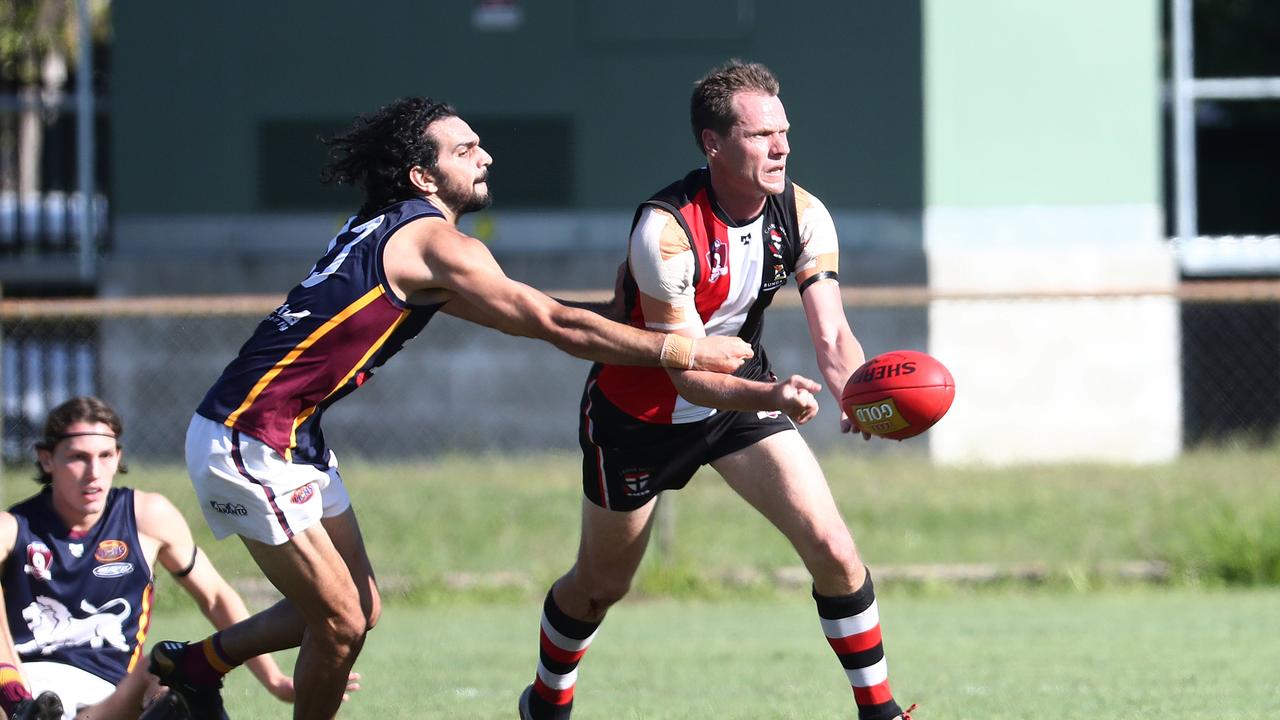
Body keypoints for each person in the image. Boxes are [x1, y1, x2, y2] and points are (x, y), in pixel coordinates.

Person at [148, 97, 754, 720]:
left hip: (289, 434)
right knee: (340, 625)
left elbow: (528, 316)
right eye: (464, 150)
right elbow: (551, 323)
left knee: (361, 605)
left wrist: (610, 316)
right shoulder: (435, 242)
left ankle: (193, 669)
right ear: (422, 176)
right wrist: (683, 350)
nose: (485, 156)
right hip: (249, 434)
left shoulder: (395, 229)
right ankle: (198, 678)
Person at [518, 60, 916, 720]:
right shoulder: (666, 231)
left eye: (784, 131)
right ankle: (546, 703)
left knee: (836, 552)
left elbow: (833, 334)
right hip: (636, 416)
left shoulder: (804, 214)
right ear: (713, 144)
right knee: (599, 587)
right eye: (762, 135)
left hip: (740, 401)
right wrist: (776, 398)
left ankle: (880, 712)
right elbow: (685, 372)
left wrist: (859, 389)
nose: (782, 146)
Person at [0, 396, 337, 720]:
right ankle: (21, 709)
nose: (93, 472)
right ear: (46, 459)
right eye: (77, 457)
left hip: (108, 702)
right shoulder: (12, 528)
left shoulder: (147, 517)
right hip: (21, 692)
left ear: (118, 457)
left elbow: (216, 596)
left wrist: (274, 680)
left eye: (105, 456)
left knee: (166, 670)